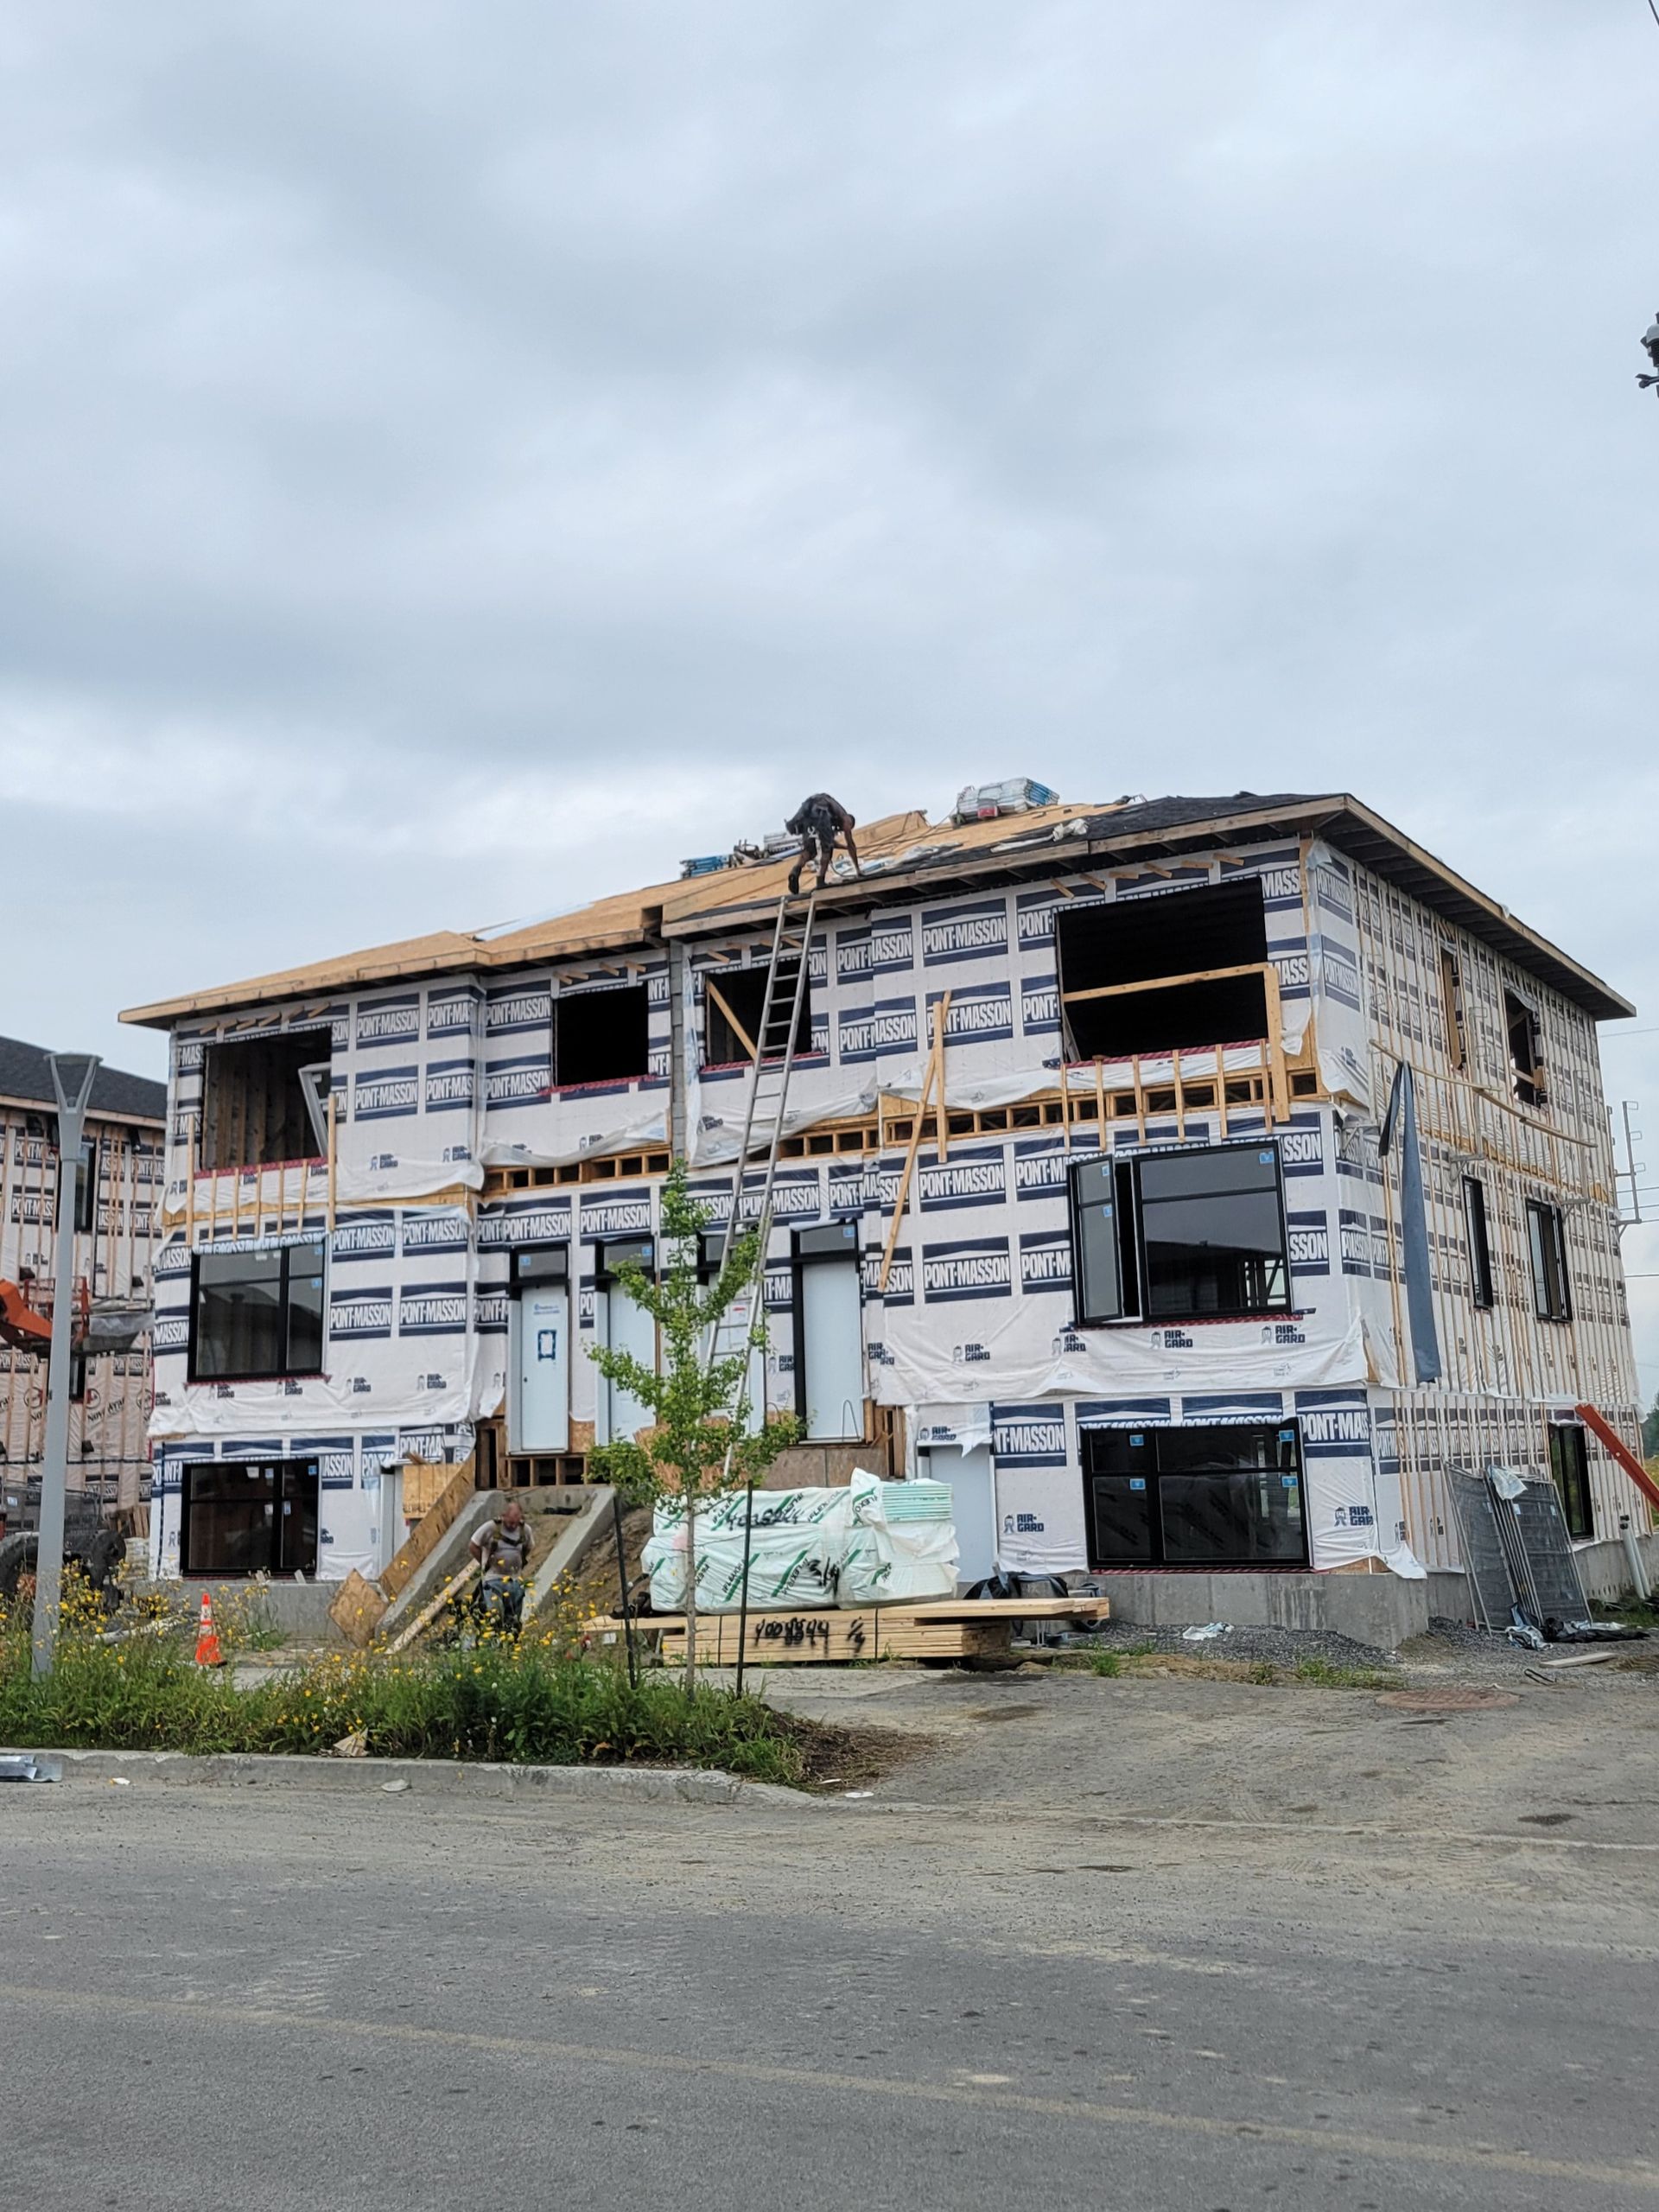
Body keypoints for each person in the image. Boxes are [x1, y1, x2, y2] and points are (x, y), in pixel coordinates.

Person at [469, 1498, 534, 1633]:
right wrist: (484, 1563)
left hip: (514, 1580)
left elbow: (529, 1547)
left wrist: (519, 1562)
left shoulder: (525, 1530)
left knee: (514, 1620)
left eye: (515, 1523)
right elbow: (473, 1545)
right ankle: (495, 1641)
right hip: (493, 1580)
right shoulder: (491, 1528)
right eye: (510, 1522)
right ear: (503, 1516)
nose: (512, 1526)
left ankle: (510, 1646)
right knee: (495, 1617)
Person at [785, 792, 861, 896]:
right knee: (827, 850)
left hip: (807, 813)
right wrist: (858, 870)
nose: (843, 830)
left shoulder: (832, 817)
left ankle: (796, 870)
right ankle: (821, 881)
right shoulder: (846, 818)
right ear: (850, 823)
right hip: (820, 811)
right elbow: (849, 843)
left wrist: (844, 847)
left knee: (810, 851)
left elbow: (830, 840)